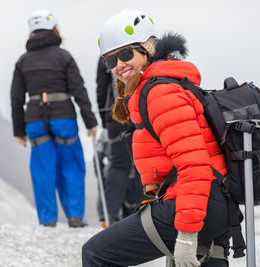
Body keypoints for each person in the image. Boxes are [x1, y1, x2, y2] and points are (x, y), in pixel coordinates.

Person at [82, 9, 229, 266]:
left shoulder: (160, 93)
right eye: (110, 61)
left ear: (147, 48)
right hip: (209, 202)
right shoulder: (158, 86)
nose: (118, 65)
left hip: (197, 201)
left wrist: (186, 233)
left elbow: (194, 165)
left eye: (126, 54)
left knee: (96, 253)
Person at [10, 10, 97, 228]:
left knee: (42, 169)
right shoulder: (63, 57)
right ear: (55, 29)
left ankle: (48, 220)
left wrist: (18, 131)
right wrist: (90, 122)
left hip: (35, 121)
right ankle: (75, 216)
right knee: (72, 166)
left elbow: (16, 99)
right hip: (63, 118)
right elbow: (79, 90)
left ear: (31, 32)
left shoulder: (23, 61)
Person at [96, 56, 146, 226]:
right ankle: (143, 215)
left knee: (118, 165)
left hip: (114, 114)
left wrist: (106, 121)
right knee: (141, 164)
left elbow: (101, 89)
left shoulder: (105, 56)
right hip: (139, 111)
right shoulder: (140, 51)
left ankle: (109, 216)